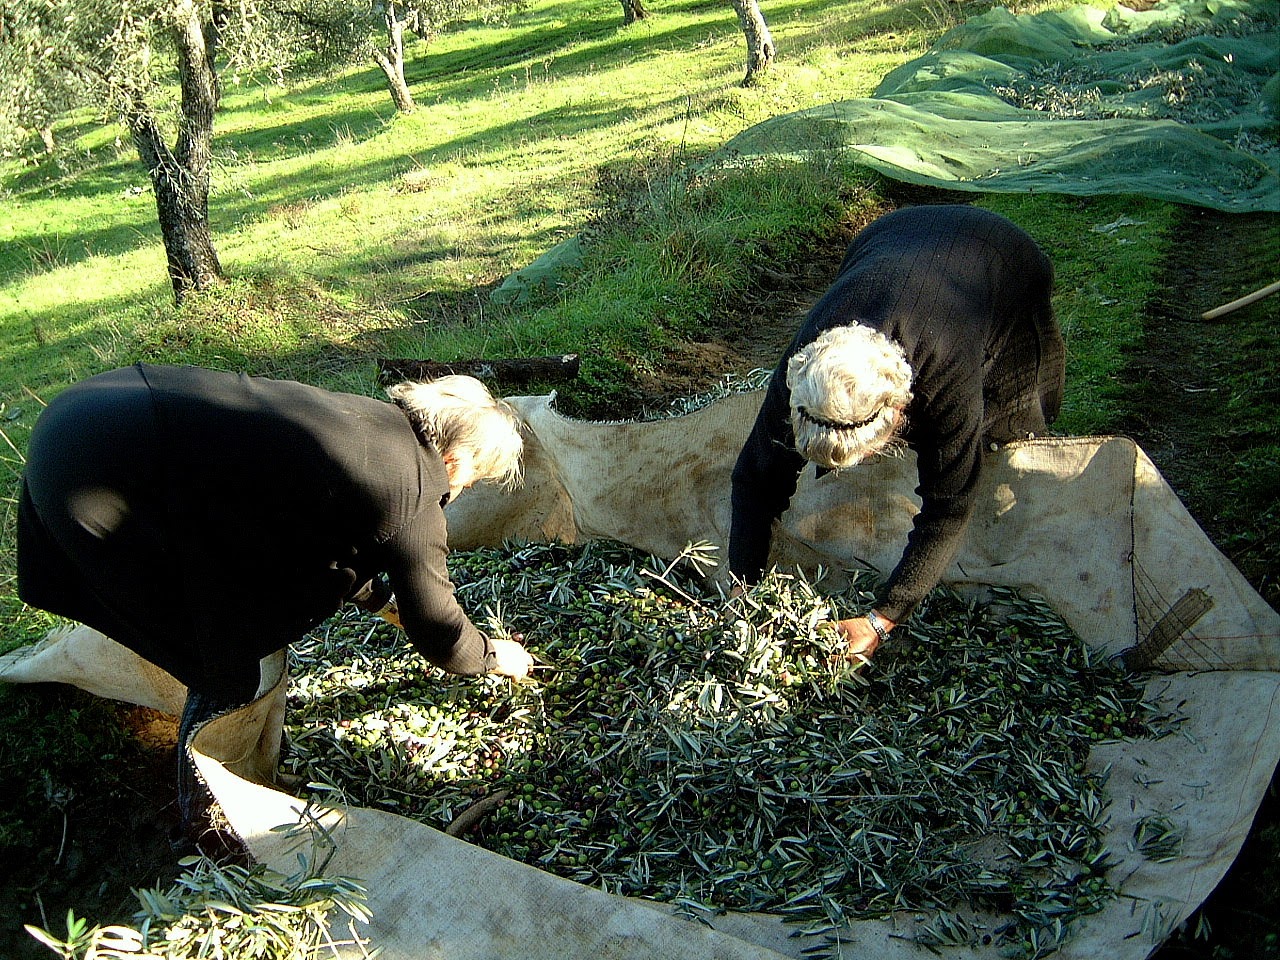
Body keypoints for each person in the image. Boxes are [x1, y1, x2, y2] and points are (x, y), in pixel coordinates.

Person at [17, 362, 532, 834]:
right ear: (455, 457)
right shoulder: (416, 494)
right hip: (102, 477)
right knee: (225, 661)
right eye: (471, 478)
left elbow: (326, 528)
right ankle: (212, 815)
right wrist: (491, 656)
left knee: (215, 610)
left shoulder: (370, 426)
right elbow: (439, 628)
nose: (459, 491)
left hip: (85, 413)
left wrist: (378, 600)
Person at [729, 204, 1064, 662]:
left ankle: (1005, 529)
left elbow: (949, 503)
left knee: (1006, 424)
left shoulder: (947, 371)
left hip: (1001, 260)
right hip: (891, 236)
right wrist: (741, 588)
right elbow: (754, 477)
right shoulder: (809, 369)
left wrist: (883, 618)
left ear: (900, 407)